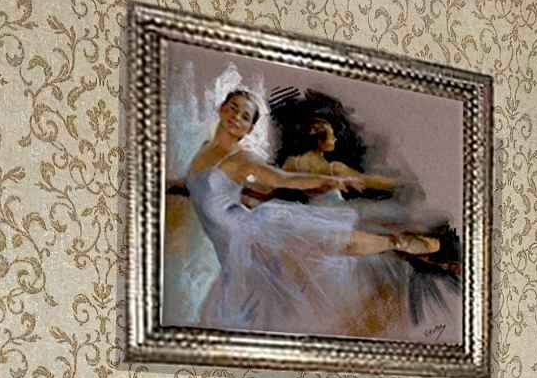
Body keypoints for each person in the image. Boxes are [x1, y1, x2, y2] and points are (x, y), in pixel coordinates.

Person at [184, 89, 437, 335]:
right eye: (233, 108)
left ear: (249, 129)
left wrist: (331, 181)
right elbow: (201, 188)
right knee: (271, 299)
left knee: (329, 242)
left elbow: (284, 179)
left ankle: (398, 242)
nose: (236, 117)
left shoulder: (242, 159)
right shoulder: (204, 149)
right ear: (221, 108)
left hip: (250, 233)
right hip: (231, 247)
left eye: (245, 117)